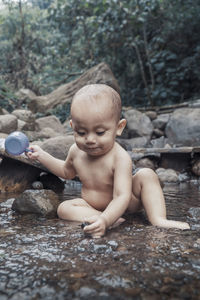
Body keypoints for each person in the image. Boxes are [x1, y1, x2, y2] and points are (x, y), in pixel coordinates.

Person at [27, 84, 190, 238]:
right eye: (81, 132)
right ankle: (101, 219)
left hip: (127, 204)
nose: (90, 139)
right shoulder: (75, 152)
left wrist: (106, 219)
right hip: (92, 207)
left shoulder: (119, 157)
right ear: (72, 126)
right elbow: (65, 172)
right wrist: (42, 155)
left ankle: (158, 219)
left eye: (99, 132)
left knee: (146, 175)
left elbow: (121, 196)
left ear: (119, 127)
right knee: (64, 208)